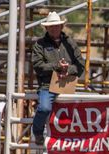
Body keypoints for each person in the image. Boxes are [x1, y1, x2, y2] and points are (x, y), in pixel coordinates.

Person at [31, 11, 85, 146]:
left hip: (67, 84)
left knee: (76, 114)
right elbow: (37, 66)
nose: (54, 28)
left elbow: (81, 65)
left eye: (56, 26)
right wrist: (57, 66)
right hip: (47, 85)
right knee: (44, 108)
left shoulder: (70, 43)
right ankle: (37, 132)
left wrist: (68, 70)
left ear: (61, 27)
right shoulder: (40, 44)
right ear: (47, 28)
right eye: (51, 26)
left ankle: (74, 141)